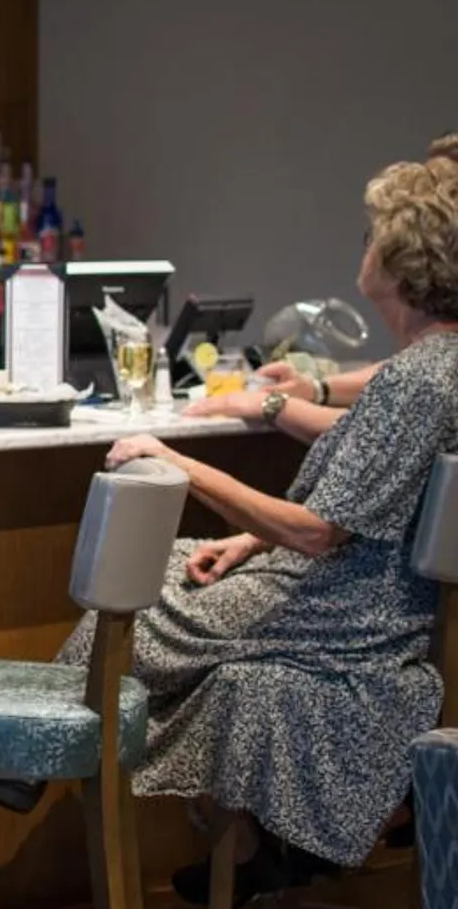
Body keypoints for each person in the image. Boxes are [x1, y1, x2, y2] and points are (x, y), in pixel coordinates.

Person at [47, 156, 458, 905]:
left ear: (403, 262)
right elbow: (367, 495)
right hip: (367, 595)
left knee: (141, 594)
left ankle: (43, 750)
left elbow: (319, 533)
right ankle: (237, 839)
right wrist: (249, 539)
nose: (362, 247)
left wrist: (177, 464)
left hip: (348, 614)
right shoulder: (438, 366)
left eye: (372, 235)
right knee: (180, 562)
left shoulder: (416, 379)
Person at [185, 132, 458, 442]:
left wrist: (274, 405)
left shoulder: (427, 373)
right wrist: (317, 389)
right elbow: (401, 391)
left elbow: (379, 432)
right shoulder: (427, 365)